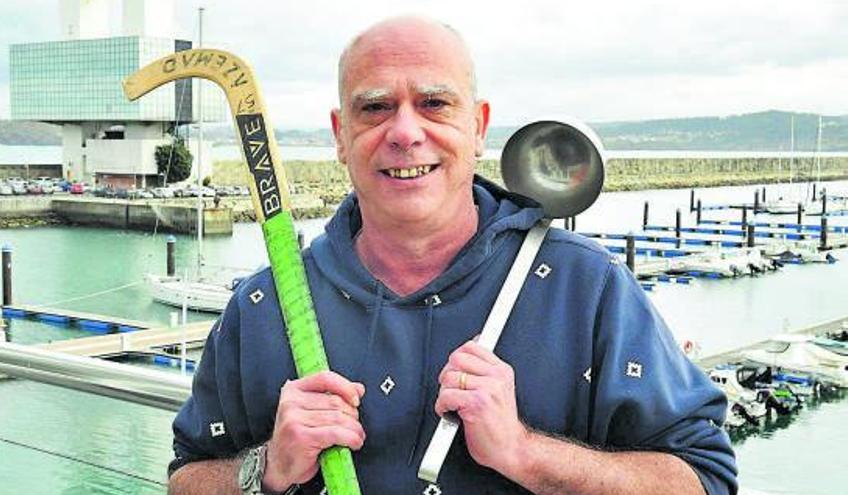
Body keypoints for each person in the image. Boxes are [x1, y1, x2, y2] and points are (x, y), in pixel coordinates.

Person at [167, 16, 737, 495]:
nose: (405, 131)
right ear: (340, 136)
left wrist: (527, 453)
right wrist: (266, 469)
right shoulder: (264, 303)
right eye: (375, 108)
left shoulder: (587, 287)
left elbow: (703, 478)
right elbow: (185, 478)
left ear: (478, 125)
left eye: (435, 103)